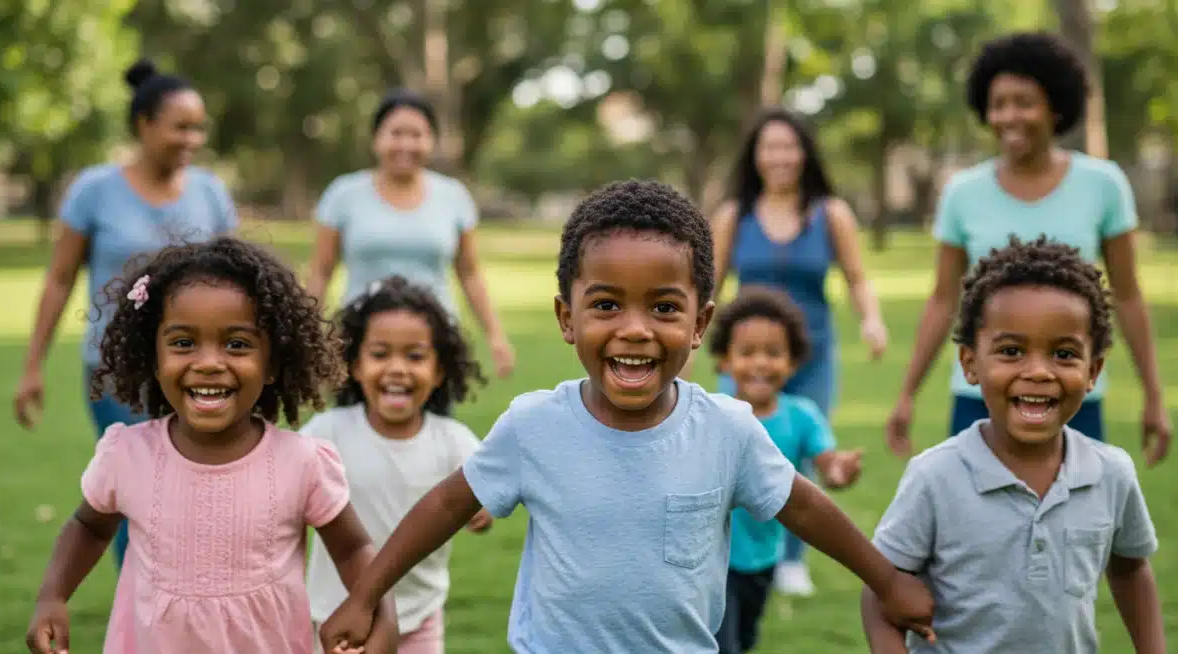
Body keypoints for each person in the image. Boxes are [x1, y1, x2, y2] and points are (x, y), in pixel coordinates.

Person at [318, 179, 935, 654]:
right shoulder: (534, 426)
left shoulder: (727, 431)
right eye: (607, 304)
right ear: (567, 318)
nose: (634, 329)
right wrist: (367, 594)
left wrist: (886, 581)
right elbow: (447, 506)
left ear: (699, 324)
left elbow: (803, 507)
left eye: (664, 307)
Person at [24, 238, 398, 654]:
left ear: (273, 363)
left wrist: (378, 610)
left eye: (237, 344)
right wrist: (52, 596)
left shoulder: (302, 463)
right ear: (153, 357)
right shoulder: (126, 454)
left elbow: (353, 549)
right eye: (183, 343)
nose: (208, 362)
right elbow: (89, 527)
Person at [862, 237, 1164, 653]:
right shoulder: (935, 476)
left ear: (1093, 371)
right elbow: (881, 592)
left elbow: (1130, 570)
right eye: (1011, 351)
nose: (1038, 371)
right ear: (970, 364)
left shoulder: (1111, 474)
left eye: (1063, 353)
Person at [886, 32, 1171, 465]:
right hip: (981, 395)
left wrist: (1153, 396)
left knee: (1074, 527)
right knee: (976, 529)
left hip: (1070, 393)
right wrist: (907, 394)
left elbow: (1127, 295)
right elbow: (943, 299)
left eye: (1024, 102)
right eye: (998, 104)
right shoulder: (963, 193)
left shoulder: (1103, 185)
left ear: (1056, 107)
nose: (1008, 116)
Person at [12, 58, 237, 568]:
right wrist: (32, 367)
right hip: (115, 368)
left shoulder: (210, 192)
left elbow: (236, 279)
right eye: (181, 126)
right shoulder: (95, 190)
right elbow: (59, 279)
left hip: (196, 363)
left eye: (198, 127)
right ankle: (142, 615)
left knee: (196, 489)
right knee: (135, 490)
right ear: (144, 125)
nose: (192, 138)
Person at [706, 107, 888, 596]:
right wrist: (694, 335)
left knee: (801, 449)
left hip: (812, 353)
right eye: (771, 147)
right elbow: (712, 285)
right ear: (757, 156)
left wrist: (871, 320)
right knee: (739, 448)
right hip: (746, 359)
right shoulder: (733, 216)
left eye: (790, 146)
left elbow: (856, 278)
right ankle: (737, 552)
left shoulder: (831, 214)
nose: (781, 156)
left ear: (804, 153)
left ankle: (791, 560)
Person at [305, 275, 495, 654]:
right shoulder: (327, 432)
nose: (397, 368)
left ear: (439, 371)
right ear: (354, 366)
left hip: (419, 620)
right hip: (334, 615)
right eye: (380, 354)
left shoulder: (453, 441)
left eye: (415, 356)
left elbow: (484, 495)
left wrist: (483, 513)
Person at [306, 88, 514, 379]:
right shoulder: (343, 194)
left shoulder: (453, 196)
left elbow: (469, 272)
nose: (406, 144)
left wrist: (495, 335)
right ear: (376, 138)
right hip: (360, 342)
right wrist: (306, 337)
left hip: (432, 343)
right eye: (396, 133)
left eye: (417, 134)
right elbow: (321, 270)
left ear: (431, 141)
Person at [707, 287, 863, 654]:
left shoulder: (802, 416)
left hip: (764, 557)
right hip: (715, 558)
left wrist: (840, 471)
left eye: (773, 353)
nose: (760, 363)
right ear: (724, 361)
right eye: (747, 353)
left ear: (793, 362)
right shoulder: (716, 415)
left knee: (744, 641)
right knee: (721, 645)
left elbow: (827, 464)